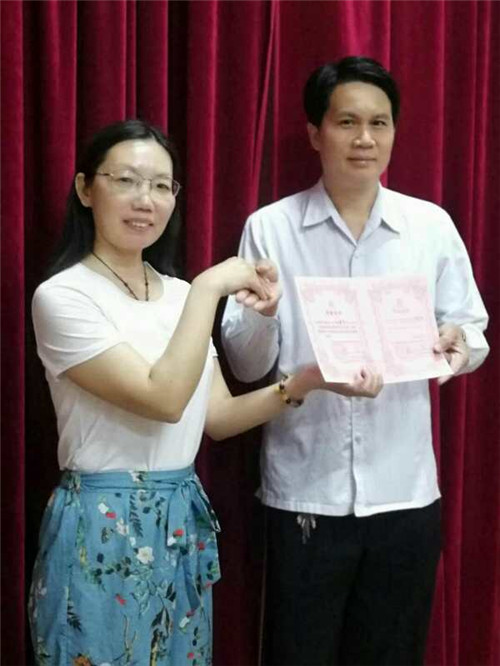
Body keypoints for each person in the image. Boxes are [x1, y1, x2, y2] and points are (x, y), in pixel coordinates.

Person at [28, 119, 383, 666]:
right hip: (101, 523)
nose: (145, 200)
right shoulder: (63, 296)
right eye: (126, 180)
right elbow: (164, 399)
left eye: (160, 185)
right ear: (85, 189)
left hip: (179, 520)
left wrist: (307, 381)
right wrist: (210, 288)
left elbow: (217, 416)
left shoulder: (179, 294)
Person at [221, 57, 490, 666]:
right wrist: (265, 315)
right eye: (347, 122)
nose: (365, 138)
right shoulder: (271, 228)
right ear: (315, 133)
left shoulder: (429, 226)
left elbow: (473, 332)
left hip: (405, 493)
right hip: (305, 493)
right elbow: (245, 365)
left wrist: (457, 344)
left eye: (379, 123)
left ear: (394, 131)